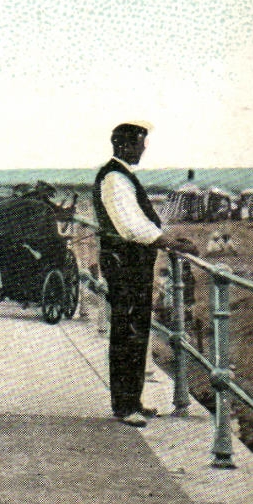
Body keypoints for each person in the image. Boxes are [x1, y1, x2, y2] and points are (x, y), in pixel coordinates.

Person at [94, 121, 192, 426]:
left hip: (129, 264)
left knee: (133, 329)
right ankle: (125, 405)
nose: (142, 150)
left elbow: (137, 222)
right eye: (139, 144)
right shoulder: (114, 177)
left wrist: (165, 238)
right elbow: (130, 225)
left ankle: (132, 399)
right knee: (128, 331)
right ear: (123, 146)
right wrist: (167, 241)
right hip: (125, 264)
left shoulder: (119, 175)